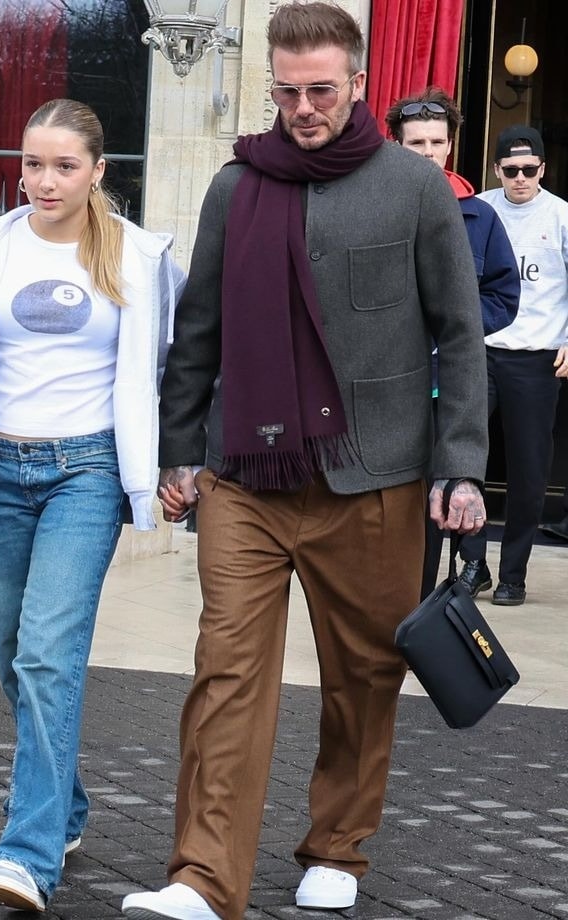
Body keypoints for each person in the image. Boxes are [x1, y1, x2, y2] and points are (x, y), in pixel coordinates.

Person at [121, 4, 488, 919]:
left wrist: (461, 465)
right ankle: (203, 878)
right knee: (225, 673)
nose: (303, 108)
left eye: (321, 90)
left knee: (363, 675)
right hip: (245, 474)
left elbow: (460, 332)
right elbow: (198, 329)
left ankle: (337, 847)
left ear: (358, 83)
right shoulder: (235, 186)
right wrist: (179, 451)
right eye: (286, 92)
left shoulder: (415, 188)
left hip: (376, 477)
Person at [0, 98, 185, 912]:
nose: (45, 180)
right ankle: (64, 807)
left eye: (65, 165)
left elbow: (179, 368)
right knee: (13, 658)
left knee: (46, 658)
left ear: (98, 171)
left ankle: (27, 856)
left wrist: (178, 465)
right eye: (33, 164)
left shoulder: (141, 257)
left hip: (85, 473)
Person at [384, 87, 520, 598]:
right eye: (416, 142)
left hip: (449, 388)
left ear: (450, 144)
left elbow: (504, 295)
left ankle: (417, 615)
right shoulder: (372, 209)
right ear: (395, 143)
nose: (428, 152)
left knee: (430, 517)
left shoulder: (481, 218)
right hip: (382, 389)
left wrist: (452, 326)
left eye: (436, 142)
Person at [455, 124, 568, 605]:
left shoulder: (561, 215)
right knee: (464, 460)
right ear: (496, 169)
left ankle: (514, 575)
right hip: (479, 351)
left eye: (529, 169)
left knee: (528, 470)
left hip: (537, 357)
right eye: (511, 169)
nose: (520, 178)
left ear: (543, 168)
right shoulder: (478, 211)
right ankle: (473, 564)